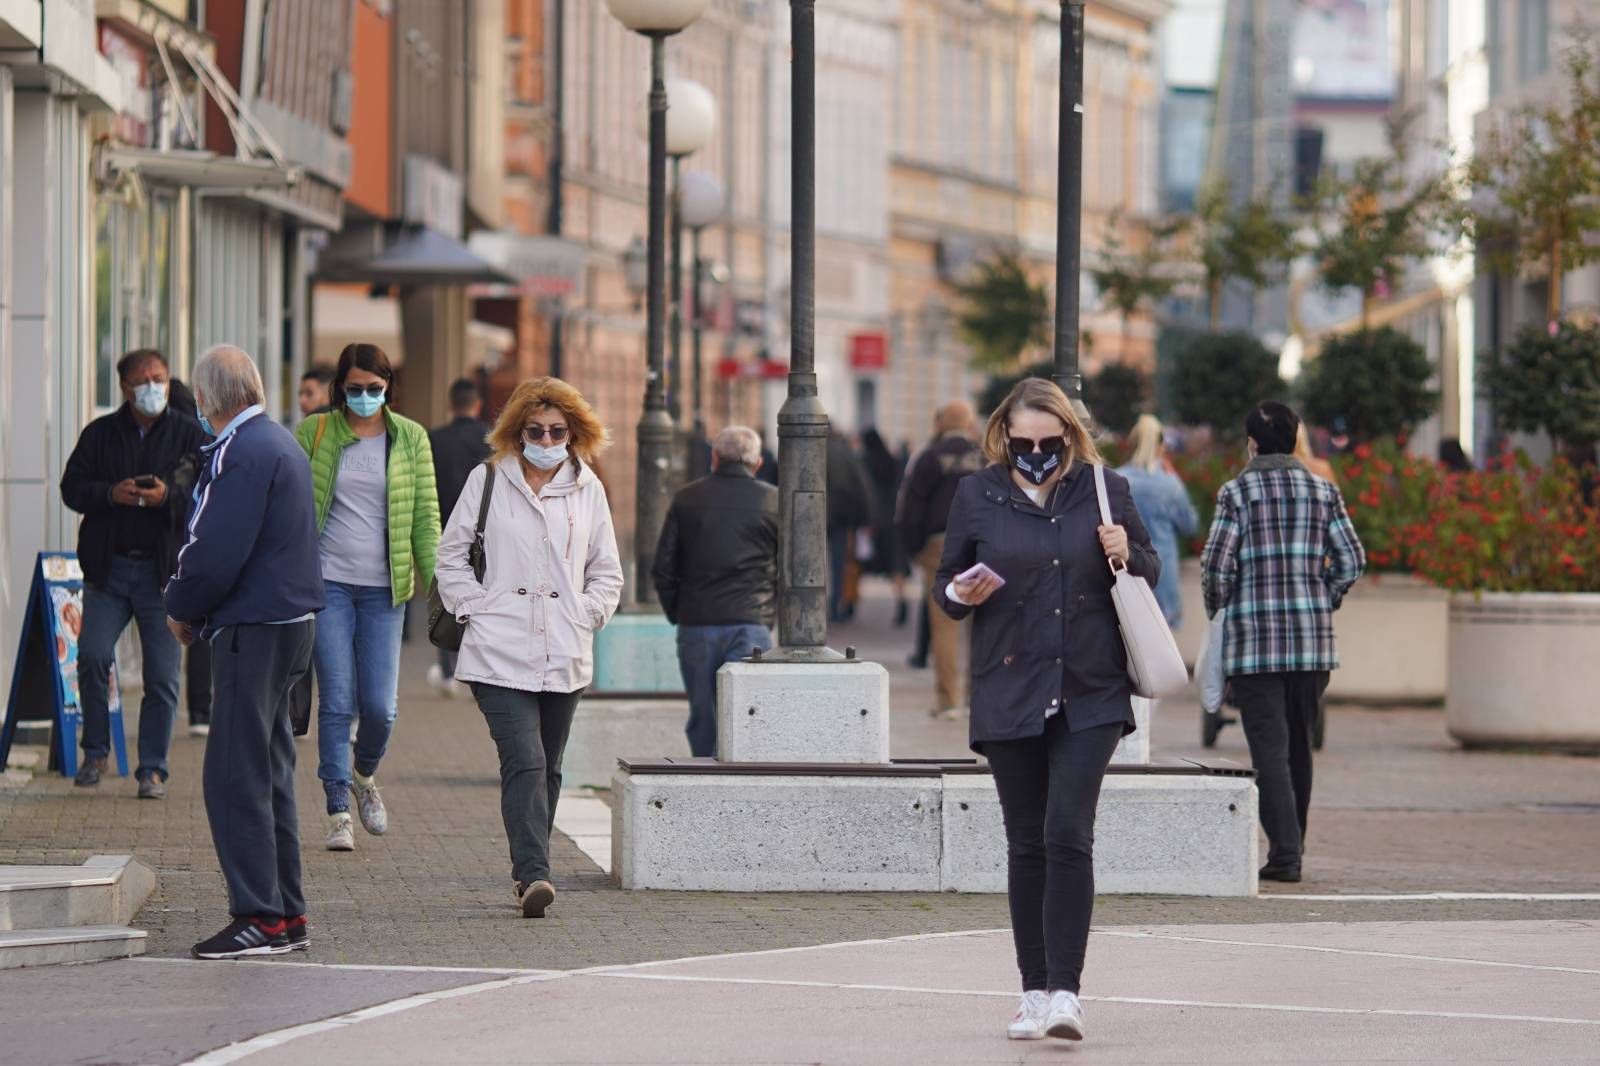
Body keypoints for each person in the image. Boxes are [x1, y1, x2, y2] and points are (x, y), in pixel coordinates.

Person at [934, 378, 1159, 1044]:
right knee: (1026, 842)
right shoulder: (978, 494)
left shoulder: (1103, 488)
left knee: (1069, 831)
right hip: (1011, 687)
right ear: (1003, 435)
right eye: (1021, 441)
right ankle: (1032, 991)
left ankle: (1067, 991)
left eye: (1048, 441)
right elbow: (947, 592)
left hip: (1089, 687)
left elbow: (1149, 566)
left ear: (1068, 435)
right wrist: (961, 591)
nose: (1035, 451)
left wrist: (1127, 552)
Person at [435, 378, 624, 918]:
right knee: (525, 759)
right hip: (498, 649)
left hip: (564, 646)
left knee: (552, 766)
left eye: (557, 431)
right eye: (535, 430)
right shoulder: (488, 479)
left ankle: (530, 862)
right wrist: (476, 608)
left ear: (574, 434)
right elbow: (450, 556)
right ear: (517, 433)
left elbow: (606, 570)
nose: (545, 438)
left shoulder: (588, 488)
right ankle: (533, 875)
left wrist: (585, 613)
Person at [162, 345, 323, 959]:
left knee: (235, 774)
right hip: (291, 623)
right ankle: (285, 915)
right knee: (271, 770)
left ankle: (258, 914)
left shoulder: (239, 450)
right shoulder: (279, 442)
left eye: (198, 401)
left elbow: (212, 549)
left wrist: (182, 605)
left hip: (252, 628)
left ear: (207, 399)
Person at [1201, 401, 1365, 884]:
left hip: (1255, 646)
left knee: (1267, 750)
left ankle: (1285, 852)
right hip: (1312, 645)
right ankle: (1293, 846)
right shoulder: (1323, 490)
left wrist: (1221, 607)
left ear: (1251, 443)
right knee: (1298, 747)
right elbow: (1352, 559)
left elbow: (1216, 566)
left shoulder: (1236, 493)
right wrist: (1325, 598)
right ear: (1296, 441)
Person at [296, 343, 439, 853]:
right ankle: (337, 809)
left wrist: (440, 585)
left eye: (373, 390)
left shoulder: (410, 439)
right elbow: (292, 508)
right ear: (340, 388)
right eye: (354, 389)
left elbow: (425, 518)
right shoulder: (315, 433)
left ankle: (364, 775)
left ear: (388, 389)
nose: (363, 398)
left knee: (380, 707)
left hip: (386, 588)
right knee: (337, 699)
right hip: (327, 584)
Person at [60, 349, 208, 796]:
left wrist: (169, 498)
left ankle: (153, 769)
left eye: (159, 379)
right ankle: (96, 752)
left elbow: (207, 489)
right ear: (125, 389)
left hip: (164, 574)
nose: (153, 388)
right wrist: (110, 494)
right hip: (110, 570)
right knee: (92, 656)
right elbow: (71, 487)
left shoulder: (188, 432)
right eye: (143, 381)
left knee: (162, 676)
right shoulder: (101, 434)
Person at [652, 426, 780, 757]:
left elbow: (663, 568)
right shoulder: (774, 501)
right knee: (746, 713)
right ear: (758, 462)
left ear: (714, 458)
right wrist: (770, 614)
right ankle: (742, 780)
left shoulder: (686, 498)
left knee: (703, 715)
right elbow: (794, 570)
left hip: (698, 623)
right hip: (752, 622)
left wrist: (679, 612)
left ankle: (704, 775)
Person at [899, 401, 984, 719]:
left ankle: (949, 700)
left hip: (939, 543)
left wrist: (914, 549)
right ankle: (979, 697)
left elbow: (911, 507)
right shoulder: (985, 455)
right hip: (981, 545)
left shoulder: (928, 457)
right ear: (970, 423)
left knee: (943, 623)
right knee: (983, 625)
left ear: (940, 424)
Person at [427, 377, 493, 698]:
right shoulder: (490, 439)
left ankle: (447, 666)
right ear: (476, 404)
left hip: (443, 527)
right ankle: (478, 666)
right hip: (484, 533)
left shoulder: (434, 439)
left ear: (451, 405)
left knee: (445, 598)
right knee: (481, 591)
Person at [1117, 415, 1198, 629]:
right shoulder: (1170, 484)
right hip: (1162, 574)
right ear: (1161, 446)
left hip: (1128, 570)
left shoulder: (1117, 480)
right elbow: (1190, 526)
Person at [859, 429, 912, 626]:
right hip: (896, 517)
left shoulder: (866, 462)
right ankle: (901, 599)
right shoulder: (893, 460)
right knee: (897, 563)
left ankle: (848, 603)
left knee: (861, 561)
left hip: (877, 518)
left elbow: (867, 492)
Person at [825, 431, 873, 623]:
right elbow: (861, 483)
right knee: (838, 563)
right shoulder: (844, 452)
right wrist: (867, 516)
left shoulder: (808, 449)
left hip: (810, 515)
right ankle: (835, 607)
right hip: (839, 515)